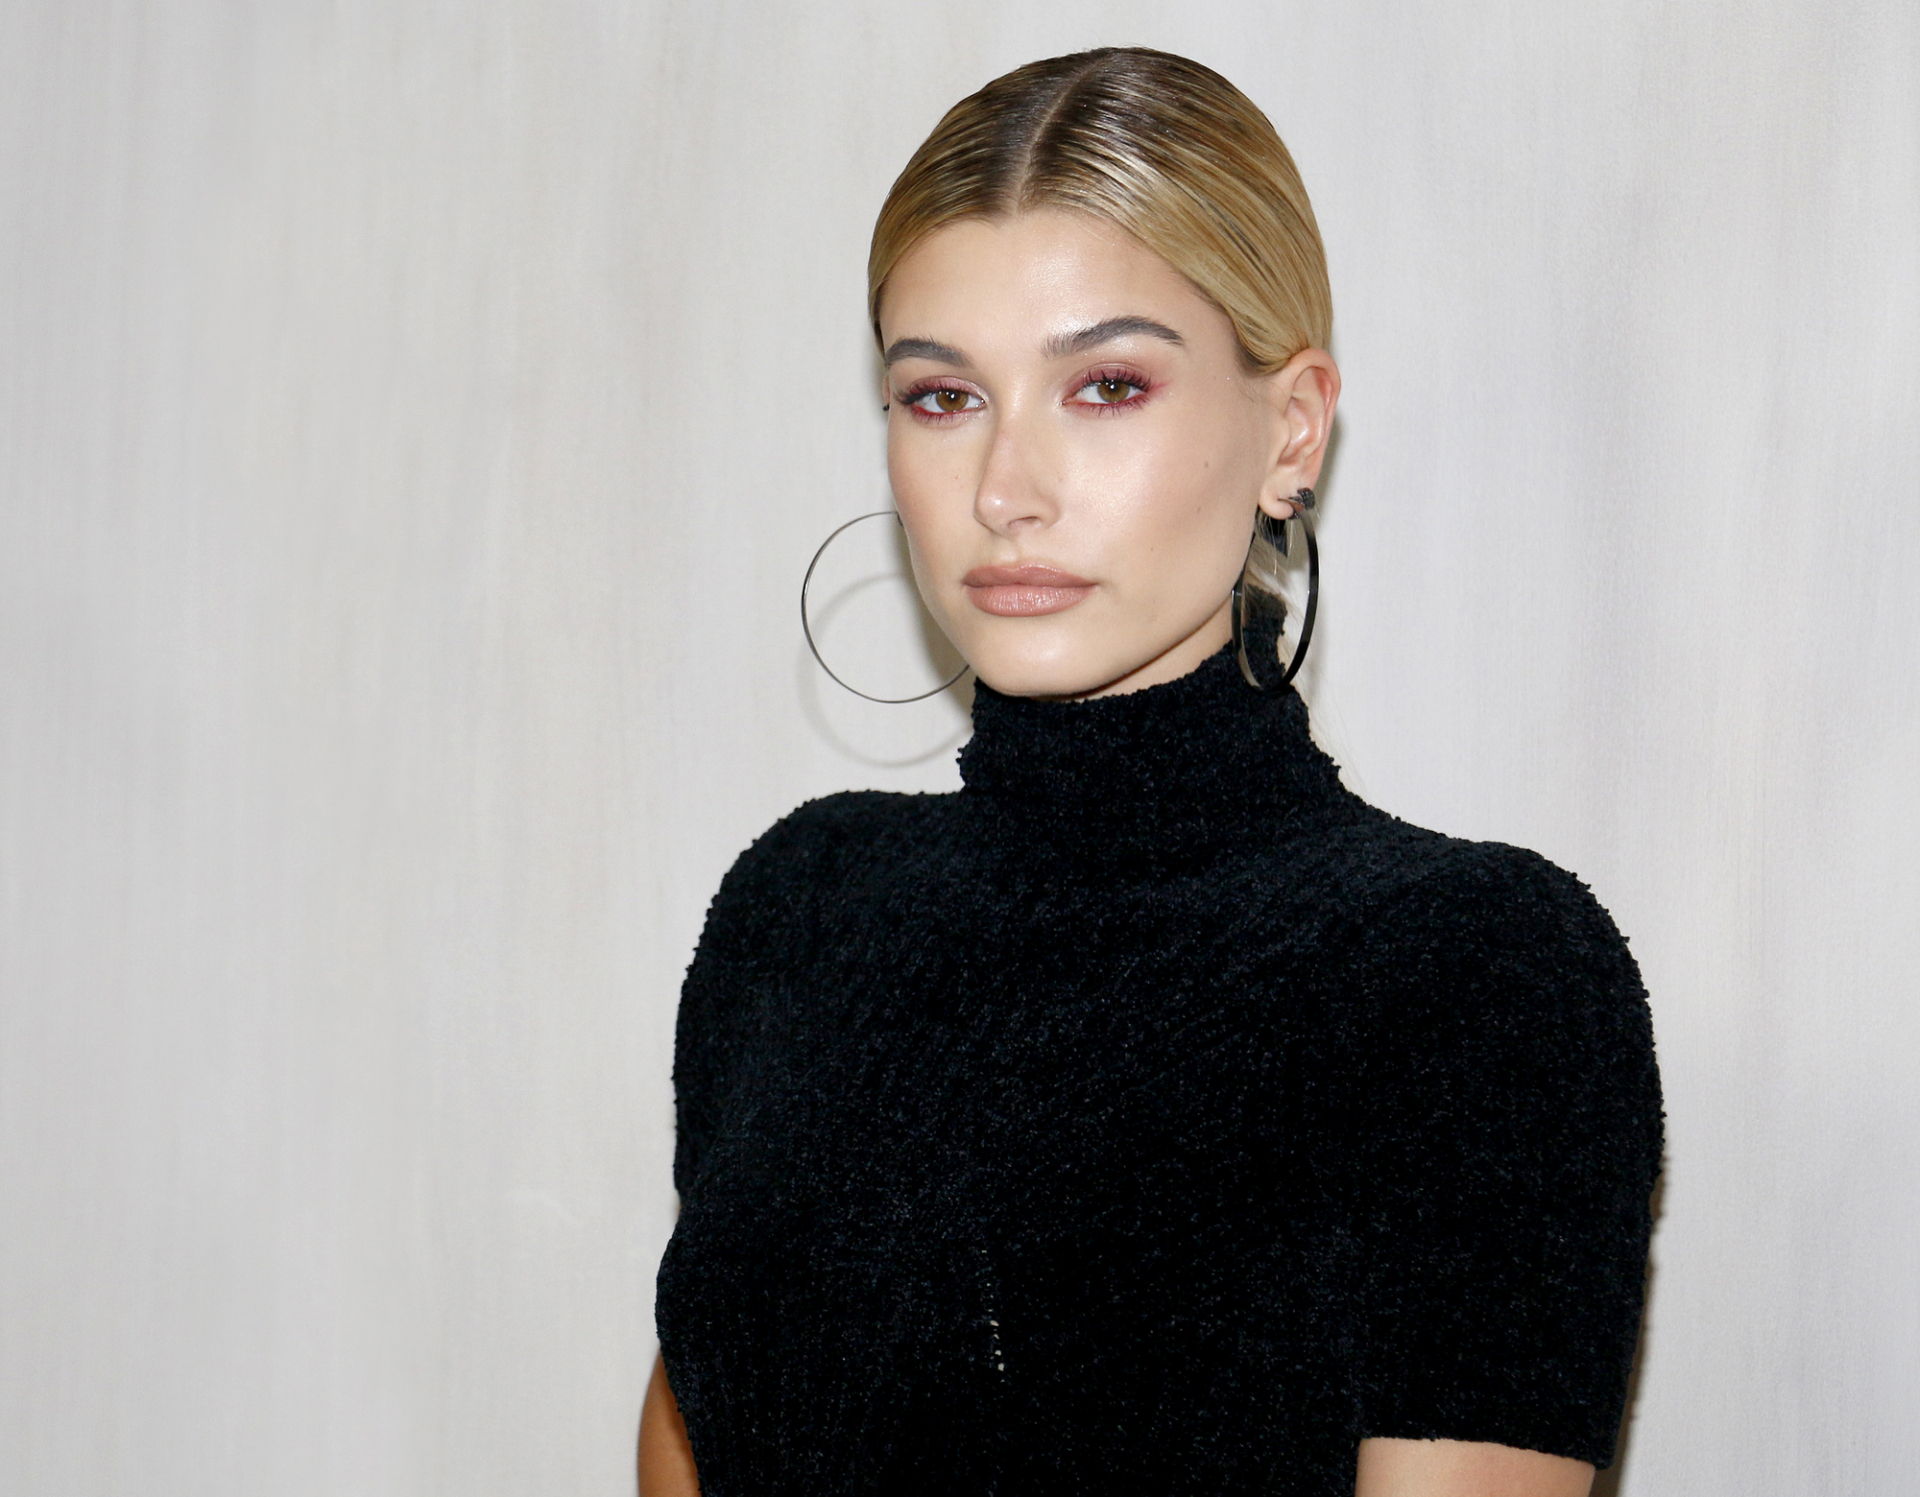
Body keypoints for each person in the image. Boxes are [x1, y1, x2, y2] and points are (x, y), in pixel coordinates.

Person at [639, 47, 1662, 1497]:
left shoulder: (1474, 974)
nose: (1006, 488)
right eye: (942, 397)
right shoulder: (798, 910)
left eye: (1106, 385)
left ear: (1292, 428)